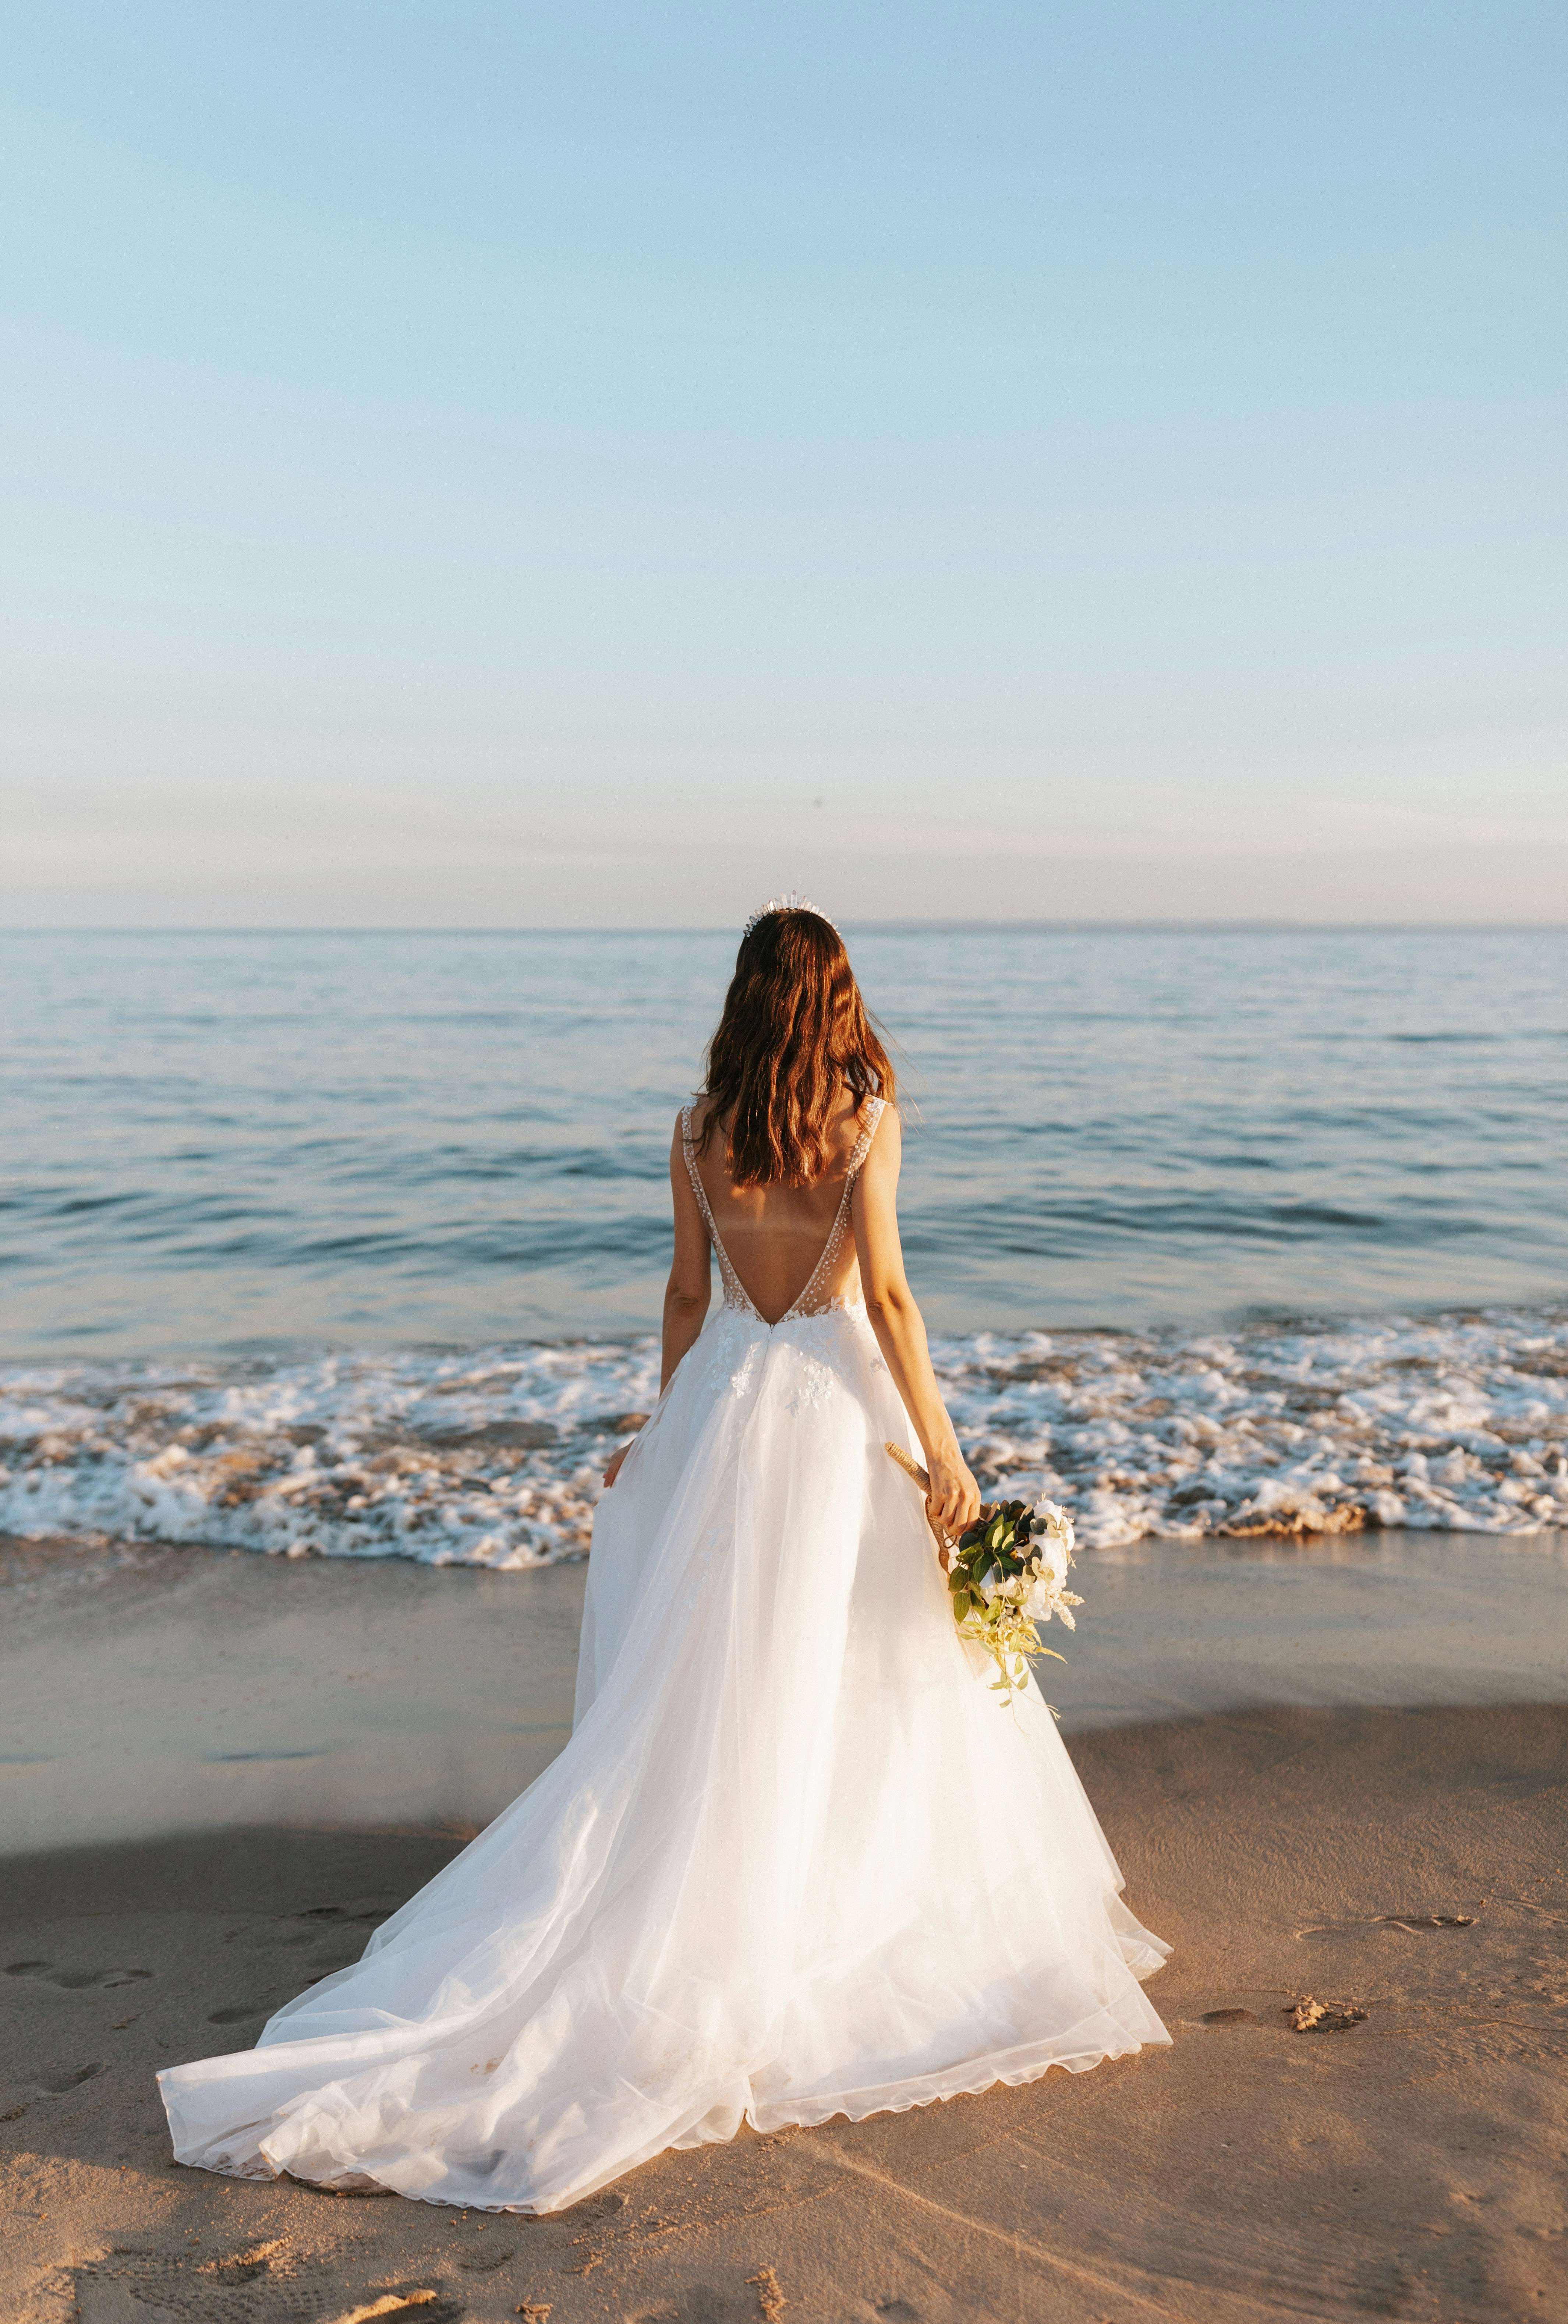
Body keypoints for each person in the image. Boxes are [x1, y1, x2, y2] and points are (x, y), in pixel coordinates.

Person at [159, 900, 1169, 2212]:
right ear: (834, 1000)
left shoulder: (696, 1133)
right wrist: (948, 1451)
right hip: (839, 1414)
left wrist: (665, 1425)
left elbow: (689, 1295)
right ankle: (828, 1895)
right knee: (859, 1663)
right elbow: (896, 1298)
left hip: (729, 1406)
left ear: (746, 999)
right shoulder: (863, 1123)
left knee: (708, 1674)